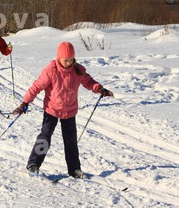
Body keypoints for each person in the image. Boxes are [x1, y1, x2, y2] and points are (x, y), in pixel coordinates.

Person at [12, 41, 114, 179]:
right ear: (59, 58)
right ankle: (33, 164)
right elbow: (36, 87)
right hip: (52, 109)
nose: (69, 63)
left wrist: (98, 88)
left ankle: (74, 169)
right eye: (66, 60)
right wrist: (25, 102)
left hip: (70, 110)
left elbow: (88, 81)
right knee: (45, 137)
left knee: (70, 141)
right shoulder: (51, 71)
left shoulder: (77, 70)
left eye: (71, 60)